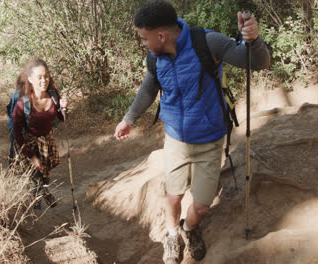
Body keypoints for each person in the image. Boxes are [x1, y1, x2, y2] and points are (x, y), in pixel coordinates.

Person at [113, 1, 270, 263]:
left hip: (209, 140)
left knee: (202, 206)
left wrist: (254, 40)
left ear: (161, 36)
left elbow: (258, 62)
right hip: (175, 139)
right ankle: (172, 234)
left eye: (144, 38)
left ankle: (189, 228)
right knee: (173, 196)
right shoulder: (155, 56)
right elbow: (149, 88)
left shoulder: (207, 43)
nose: (143, 43)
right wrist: (129, 118)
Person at [12, 58, 68, 209]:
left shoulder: (53, 95)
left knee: (45, 173)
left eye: (46, 76)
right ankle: (36, 209)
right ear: (30, 79)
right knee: (34, 179)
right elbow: (17, 133)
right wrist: (32, 156)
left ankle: (45, 192)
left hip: (46, 141)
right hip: (27, 143)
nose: (44, 80)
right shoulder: (23, 103)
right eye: (40, 77)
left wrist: (63, 108)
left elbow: (62, 119)